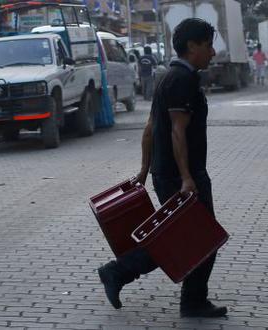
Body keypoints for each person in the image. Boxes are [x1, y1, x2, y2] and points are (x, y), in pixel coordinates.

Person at [97, 18, 228, 318]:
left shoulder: (167, 77)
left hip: (166, 172)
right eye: (208, 45)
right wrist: (186, 178)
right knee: (198, 237)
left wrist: (145, 170)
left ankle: (190, 299)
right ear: (192, 46)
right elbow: (176, 131)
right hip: (183, 175)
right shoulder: (182, 80)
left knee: (189, 236)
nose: (212, 52)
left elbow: (150, 126)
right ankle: (120, 273)